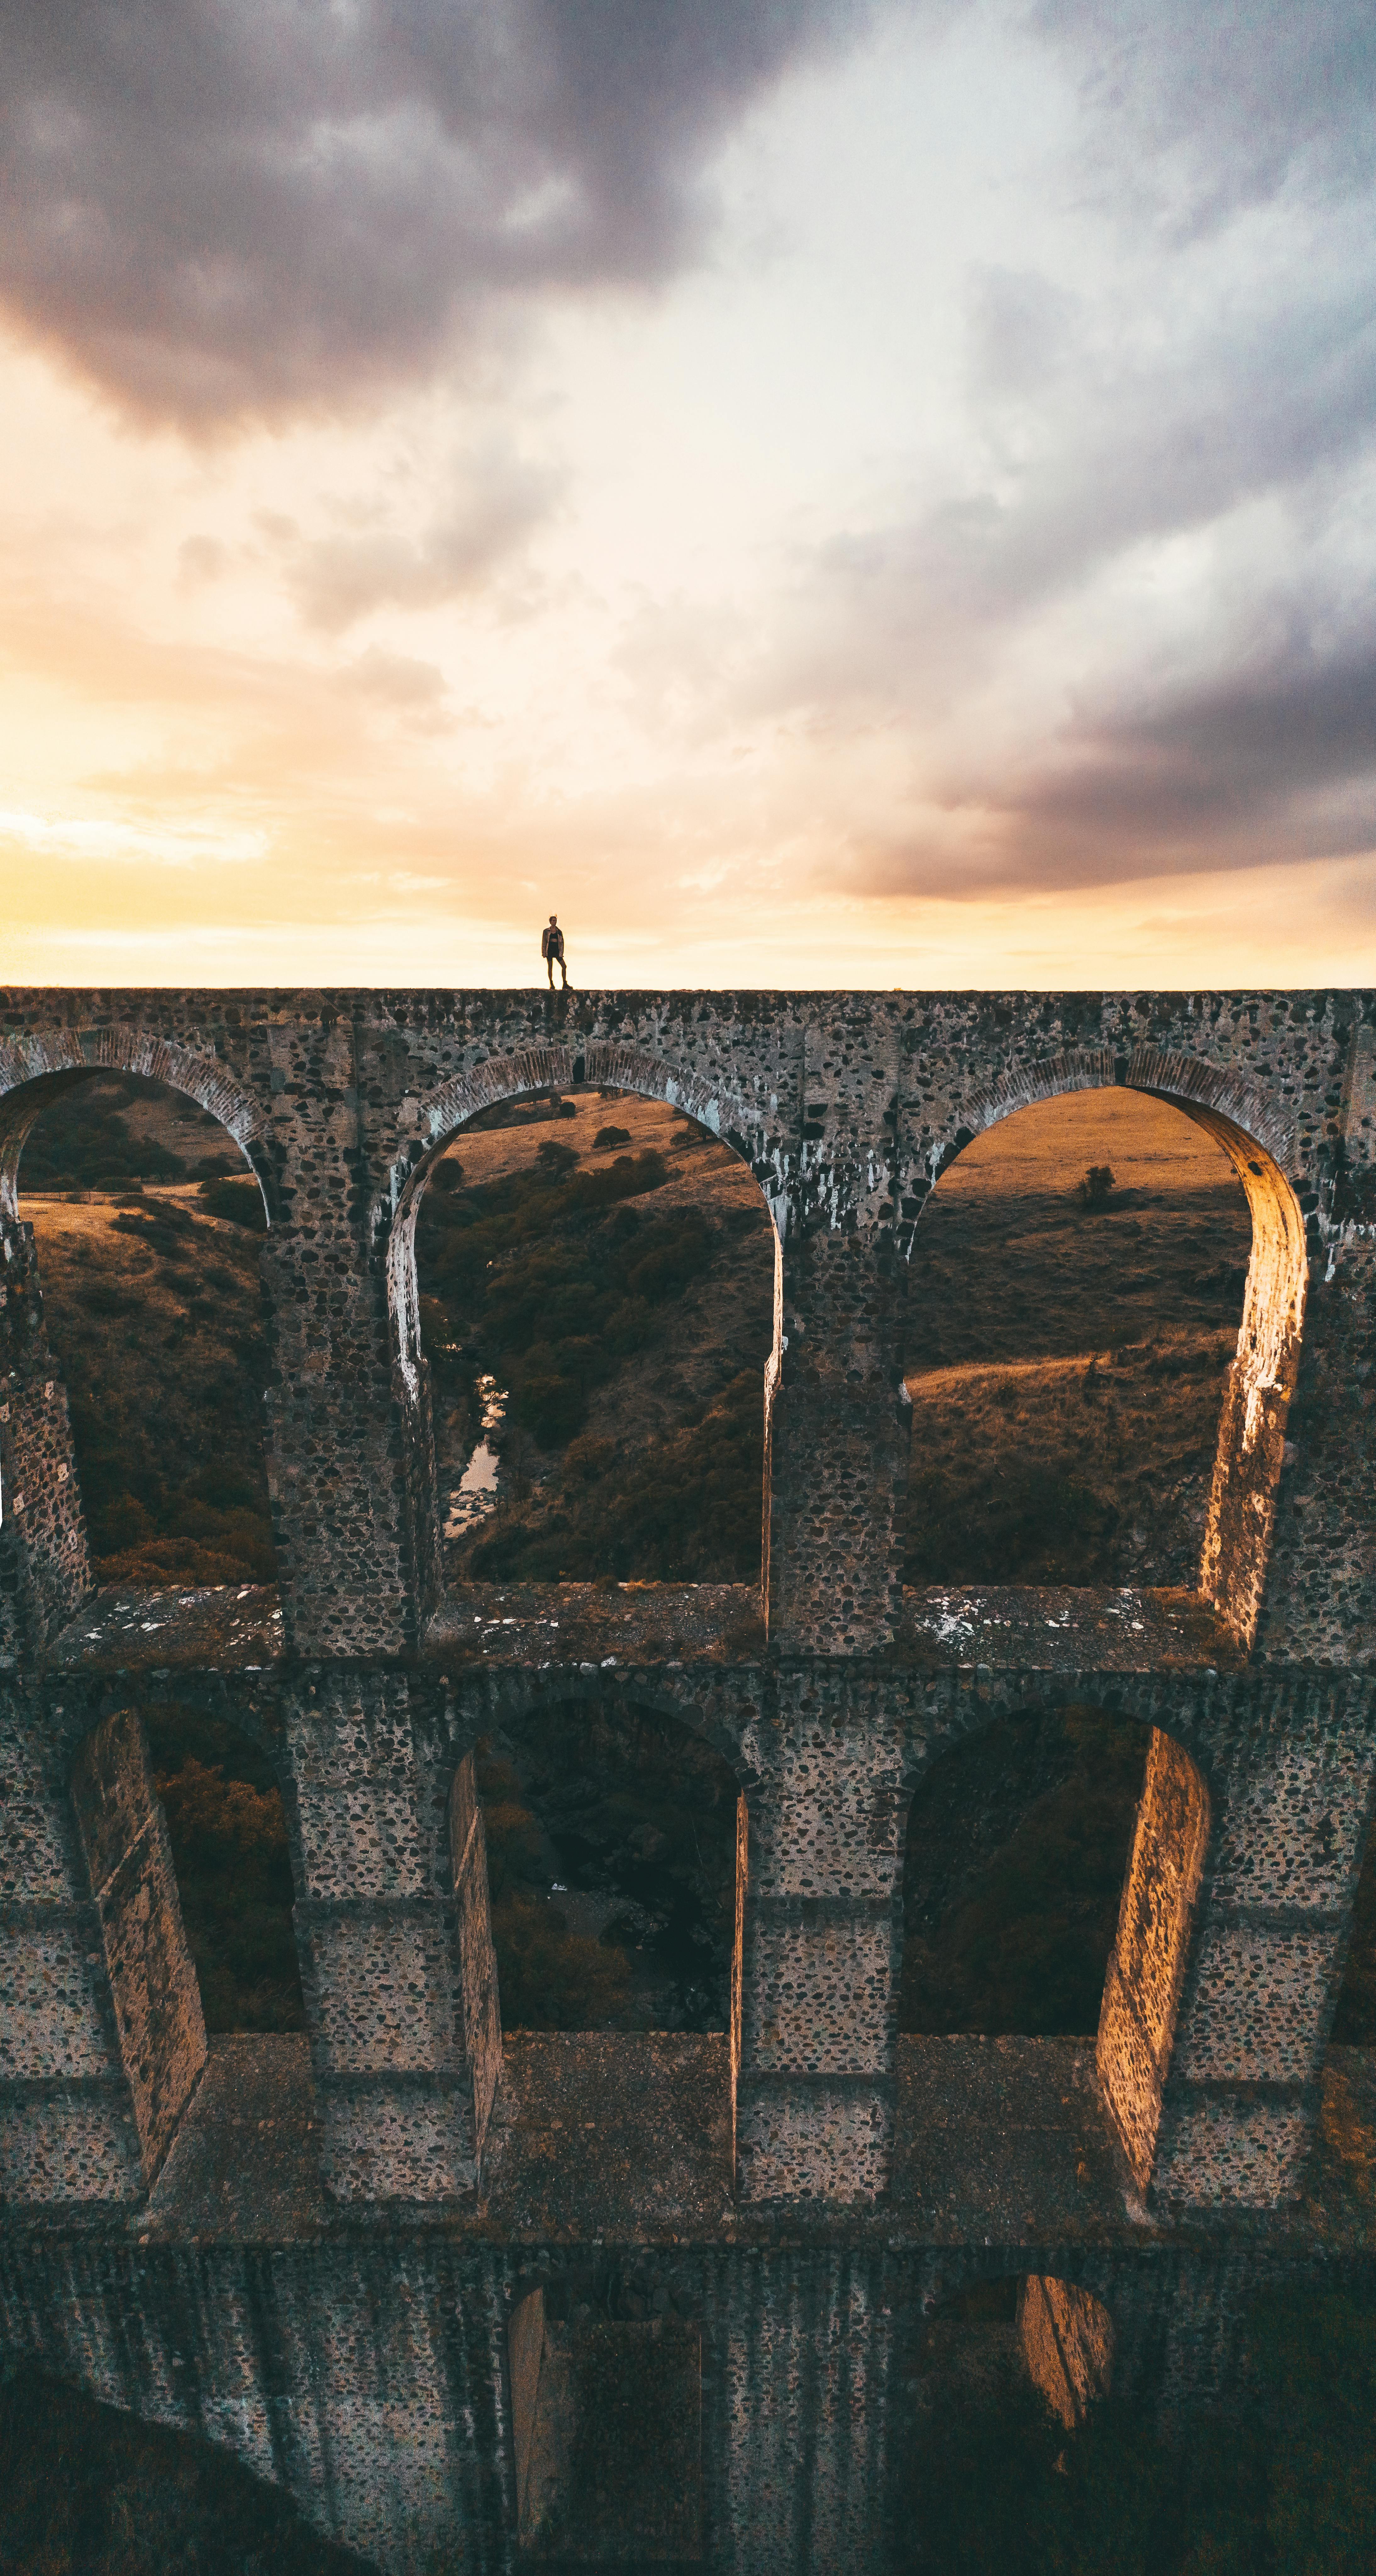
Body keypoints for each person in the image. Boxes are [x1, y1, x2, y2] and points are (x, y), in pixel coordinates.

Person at [541, 914, 569, 989]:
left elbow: (562, 943)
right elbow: (544, 942)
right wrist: (544, 953)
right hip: (550, 950)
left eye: (556, 921)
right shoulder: (546, 931)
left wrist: (561, 953)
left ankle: (565, 983)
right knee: (550, 967)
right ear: (550, 922)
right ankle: (551, 983)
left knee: (564, 966)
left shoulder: (559, 932)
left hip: (557, 950)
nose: (555, 922)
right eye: (553, 921)